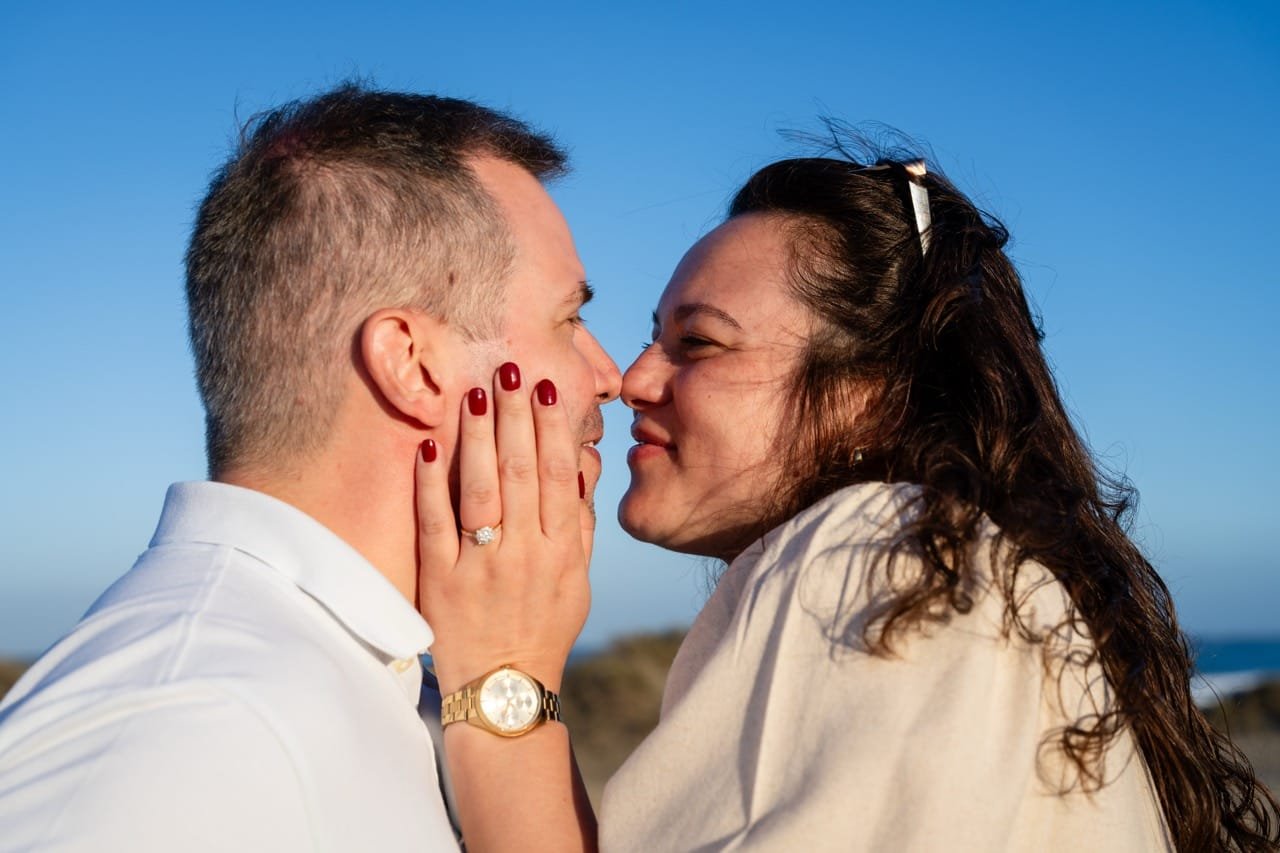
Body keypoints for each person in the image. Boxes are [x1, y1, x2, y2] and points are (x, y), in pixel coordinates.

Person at [424, 135, 1279, 850]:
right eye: (655, 336)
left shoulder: (894, 557)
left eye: (700, 343)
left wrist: (503, 671)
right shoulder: (952, 576)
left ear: (868, 393)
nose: (635, 378)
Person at [0, 83, 618, 852]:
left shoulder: (378, 676)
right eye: (569, 319)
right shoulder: (189, 732)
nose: (609, 374)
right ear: (413, 366)